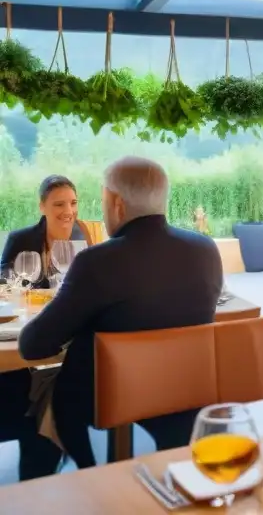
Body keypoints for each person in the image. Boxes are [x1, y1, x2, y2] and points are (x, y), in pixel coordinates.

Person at [18, 156, 223, 470]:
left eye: (102, 200)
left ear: (116, 203)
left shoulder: (98, 261)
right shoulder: (205, 249)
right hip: (185, 399)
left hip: (102, 408)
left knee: (28, 393)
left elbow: (33, 345)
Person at [1, 175, 94, 288]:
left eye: (73, 203)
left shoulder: (83, 234)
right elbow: (3, 283)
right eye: (59, 204)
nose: (69, 211)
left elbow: (93, 280)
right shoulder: (19, 239)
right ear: (42, 207)